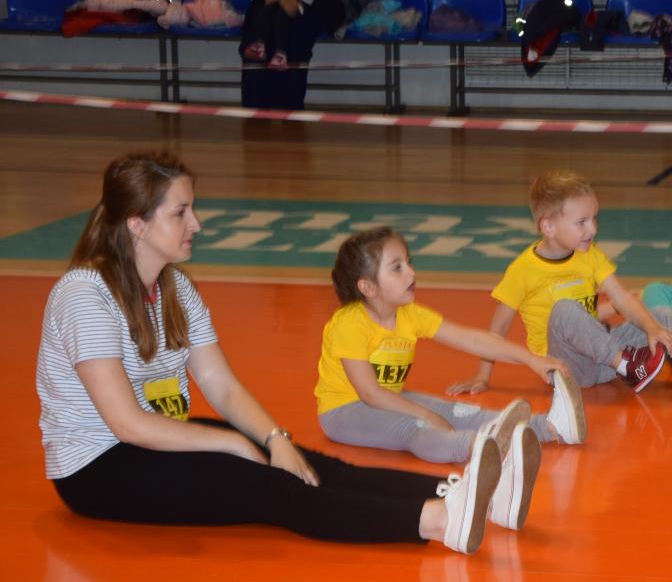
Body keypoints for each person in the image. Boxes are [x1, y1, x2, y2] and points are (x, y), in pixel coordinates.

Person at [35, 152, 536, 554]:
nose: (197, 223)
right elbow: (127, 425)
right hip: (98, 467)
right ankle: (436, 521)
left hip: (156, 438)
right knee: (268, 486)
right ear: (137, 224)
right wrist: (231, 445)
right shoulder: (85, 295)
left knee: (306, 462)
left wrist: (274, 438)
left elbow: (222, 387)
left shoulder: (176, 289)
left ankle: (469, 495)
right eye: (181, 212)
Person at [449, 170, 672, 397]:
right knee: (564, 310)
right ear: (548, 226)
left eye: (594, 219)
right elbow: (498, 328)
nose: (592, 229)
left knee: (659, 313)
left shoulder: (590, 256)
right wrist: (482, 375)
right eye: (581, 222)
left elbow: (622, 299)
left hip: (606, 356)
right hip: (566, 368)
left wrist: (651, 327)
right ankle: (628, 367)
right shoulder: (522, 269)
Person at [316, 226, 587, 467]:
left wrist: (531, 359)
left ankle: (550, 427)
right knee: (417, 426)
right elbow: (370, 393)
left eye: (409, 263)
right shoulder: (349, 324)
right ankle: (476, 447)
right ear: (368, 287)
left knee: (458, 411)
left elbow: (474, 340)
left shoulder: (410, 314)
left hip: (387, 397)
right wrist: (427, 415)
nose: (411, 272)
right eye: (397, 268)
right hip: (345, 412)